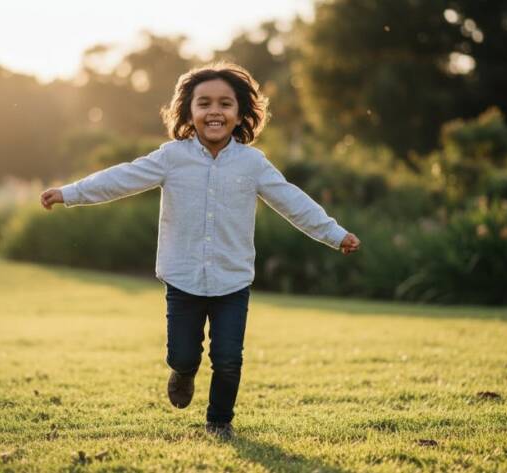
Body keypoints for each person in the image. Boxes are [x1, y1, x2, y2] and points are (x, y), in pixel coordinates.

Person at [40, 62, 361, 441]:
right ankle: (183, 372)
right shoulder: (171, 157)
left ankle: (219, 422)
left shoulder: (252, 163)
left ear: (240, 113)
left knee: (228, 360)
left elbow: (293, 201)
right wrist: (70, 193)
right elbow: (121, 178)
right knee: (182, 354)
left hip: (232, 281)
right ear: (188, 112)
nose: (214, 111)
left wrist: (334, 233)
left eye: (225, 104)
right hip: (183, 277)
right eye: (204, 103)